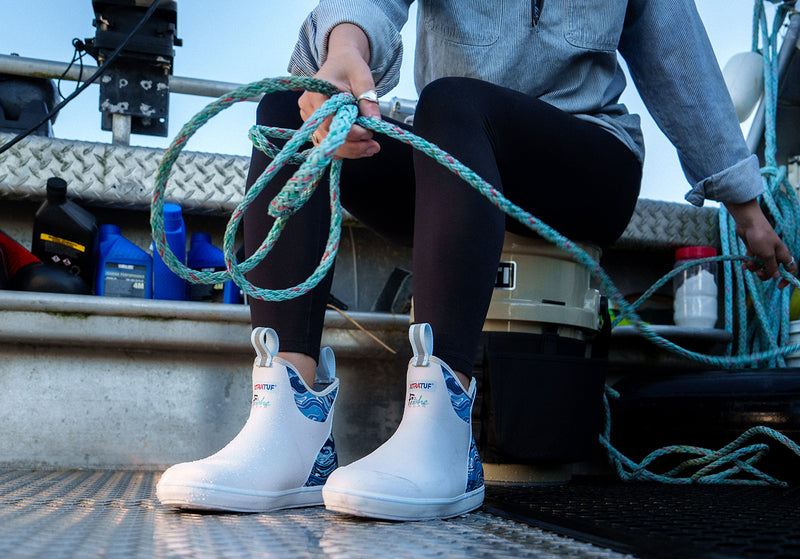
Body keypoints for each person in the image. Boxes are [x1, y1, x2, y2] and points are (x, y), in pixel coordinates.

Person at [156, 0, 795, 520]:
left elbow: (679, 64)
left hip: (582, 160)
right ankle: (289, 425)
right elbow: (367, 8)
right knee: (283, 111)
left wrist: (744, 204)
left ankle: (442, 422)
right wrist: (343, 48)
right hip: (454, 158)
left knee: (455, 102)